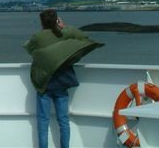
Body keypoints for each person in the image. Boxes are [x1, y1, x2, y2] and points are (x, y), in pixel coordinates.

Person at [23, 9, 104, 148]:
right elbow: (84, 37)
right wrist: (65, 27)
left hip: (44, 85)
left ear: (42, 22)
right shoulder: (65, 34)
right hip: (62, 83)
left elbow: (28, 48)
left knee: (43, 123)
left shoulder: (37, 37)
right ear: (56, 20)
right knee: (64, 122)